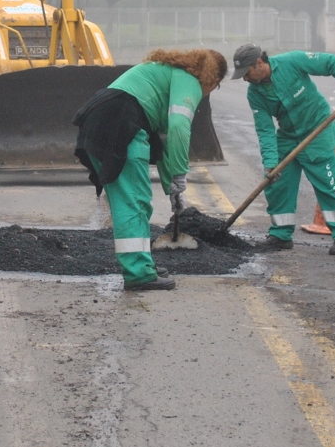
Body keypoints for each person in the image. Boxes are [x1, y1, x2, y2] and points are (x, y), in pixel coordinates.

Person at [74, 48, 228, 290]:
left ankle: (142, 265)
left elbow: (166, 140)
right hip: (120, 122)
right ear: (212, 80)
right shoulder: (189, 81)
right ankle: (138, 274)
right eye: (214, 87)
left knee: (136, 200)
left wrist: (172, 187)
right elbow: (178, 128)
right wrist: (179, 175)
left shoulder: (167, 75)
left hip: (104, 117)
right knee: (133, 200)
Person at [232, 44, 335, 255]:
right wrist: (270, 164)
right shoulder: (255, 94)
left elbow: (331, 62)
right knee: (277, 184)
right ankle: (280, 235)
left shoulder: (292, 61)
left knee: (329, 184)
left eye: (246, 72)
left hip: (318, 130)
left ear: (259, 63)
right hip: (288, 136)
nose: (245, 78)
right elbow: (265, 131)